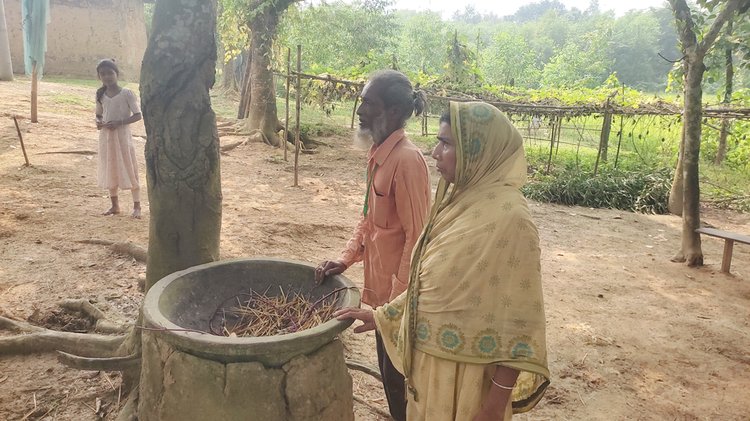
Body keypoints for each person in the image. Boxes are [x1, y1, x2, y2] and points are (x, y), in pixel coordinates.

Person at [335, 101, 550, 421]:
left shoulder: (512, 220)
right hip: (430, 376)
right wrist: (382, 316)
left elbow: (520, 322)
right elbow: (433, 286)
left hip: (467, 384)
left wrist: (492, 408)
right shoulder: (456, 203)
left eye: (446, 143)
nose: (434, 152)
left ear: (478, 151)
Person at [315, 70, 431, 421]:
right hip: (383, 297)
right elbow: (369, 221)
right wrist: (345, 258)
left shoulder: (408, 161)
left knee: (403, 383)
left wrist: (393, 308)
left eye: (369, 102)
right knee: (390, 378)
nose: (360, 109)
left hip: (399, 301)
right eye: (361, 100)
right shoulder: (379, 154)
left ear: (393, 112)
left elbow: (418, 237)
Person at [94, 59, 143, 218]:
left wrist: (120, 122)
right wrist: (99, 122)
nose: (107, 77)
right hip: (107, 137)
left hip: (122, 137)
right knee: (111, 167)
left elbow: (137, 115)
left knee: (129, 167)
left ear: (117, 74)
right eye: (103, 74)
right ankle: (114, 205)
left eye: (110, 73)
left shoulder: (127, 94)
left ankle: (137, 206)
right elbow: (98, 114)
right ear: (99, 77)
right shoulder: (100, 94)